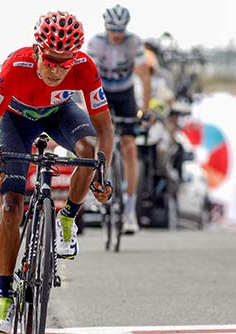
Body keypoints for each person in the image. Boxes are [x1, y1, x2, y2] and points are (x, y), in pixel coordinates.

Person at [0, 10, 113, 334]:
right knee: (10, 205)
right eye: (50, 60)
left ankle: (68, 220)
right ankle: (5, 300)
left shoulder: (84, 68)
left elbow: (105, 128)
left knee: (88, 149)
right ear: (37, 50)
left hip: (58, 113)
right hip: (14, 121)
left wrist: (101, 175)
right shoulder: (16, 67)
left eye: (65, 63)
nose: (56, 70)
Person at [87, 4, 152, 234]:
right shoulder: (95, 43)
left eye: (120, 30)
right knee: (100, 143)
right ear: (106, 27)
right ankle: (99, 186)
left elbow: (144, 77)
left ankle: (130, 211)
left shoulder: (134, 42)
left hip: (125, 95)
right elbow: (87, 77)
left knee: (130, 147)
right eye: (112, 30)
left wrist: (145, 110)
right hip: (102, 93)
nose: (116, 35)